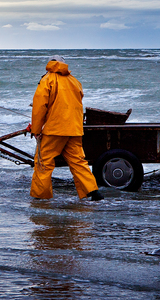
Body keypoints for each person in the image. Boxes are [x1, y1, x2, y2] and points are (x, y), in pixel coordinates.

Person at [28, 55, 104, 201]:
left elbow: (39, 107)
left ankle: (41, 197)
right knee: (78, 162)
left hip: (54, 129)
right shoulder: (75, 81)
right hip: (74, 129)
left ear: (50, 63)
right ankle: (94, 192)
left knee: (43, 162)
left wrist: (36, 130)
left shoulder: (47, 80)